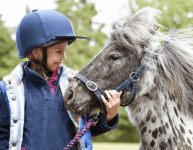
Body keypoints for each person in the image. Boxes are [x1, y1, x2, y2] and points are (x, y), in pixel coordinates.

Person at [0, 9, 122, 150]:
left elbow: (85, 129)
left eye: (65, 51)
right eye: (59, 51)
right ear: (36, 52)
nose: (63, 58)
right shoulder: (8, 91)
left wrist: (110, 115)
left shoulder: (72, 85)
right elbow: (2, 134)